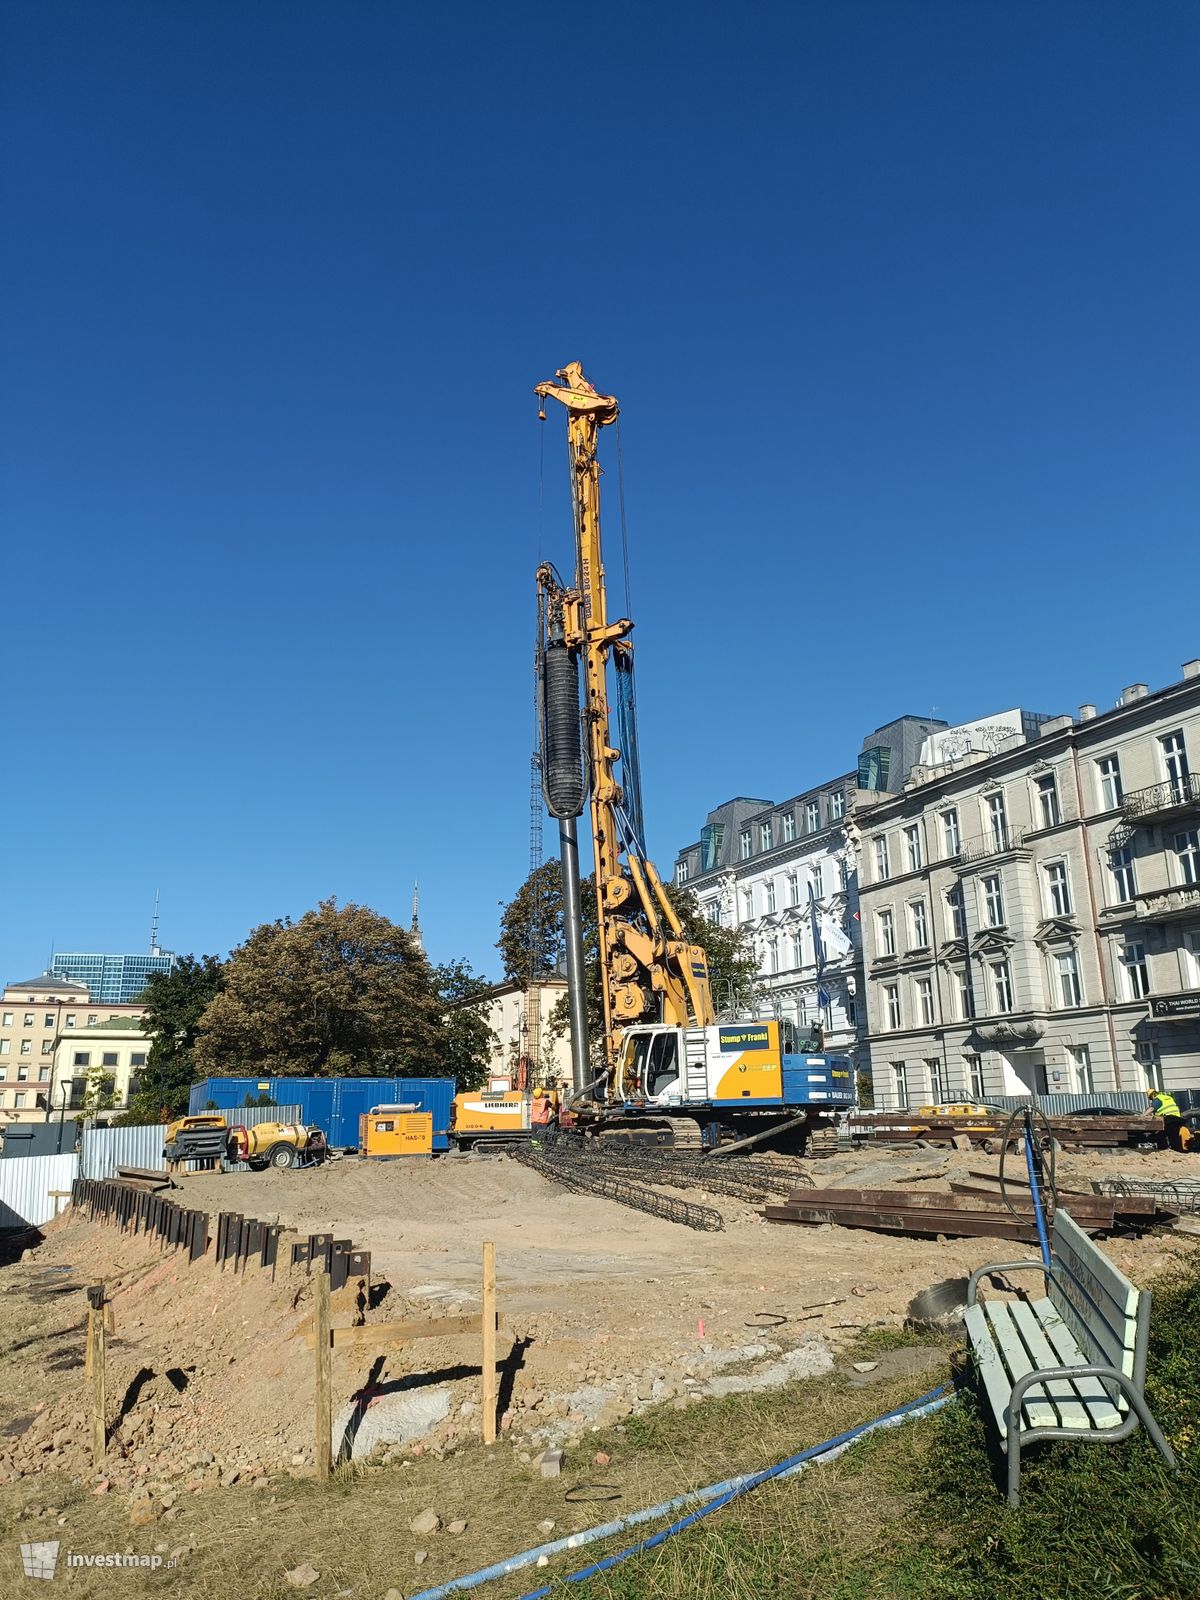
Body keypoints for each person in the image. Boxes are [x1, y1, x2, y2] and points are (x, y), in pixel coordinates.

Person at [1147, 1087, 1186, 1152]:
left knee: (1160, 1134)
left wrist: (1142, 1116)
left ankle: (1163, 1149)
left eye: (1150, 1098)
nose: (1151, 1100)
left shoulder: (1157, 1099)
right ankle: (1178, 1150)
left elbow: (1152, 1108)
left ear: (1152, 1095)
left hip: (1169, 1119)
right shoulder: (1168, 1097)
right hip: (1177, 1119)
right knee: (1174, 1136)